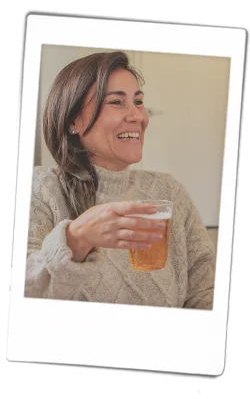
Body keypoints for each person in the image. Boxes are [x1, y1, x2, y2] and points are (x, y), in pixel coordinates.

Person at [25, 51, 215, 309]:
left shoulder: (169, 190)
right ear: (73, 121)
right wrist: (75, 239)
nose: (138, 116)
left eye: (138, 102)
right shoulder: (39, 188)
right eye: (116, 102)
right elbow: (19, 301)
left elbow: (206, 292)